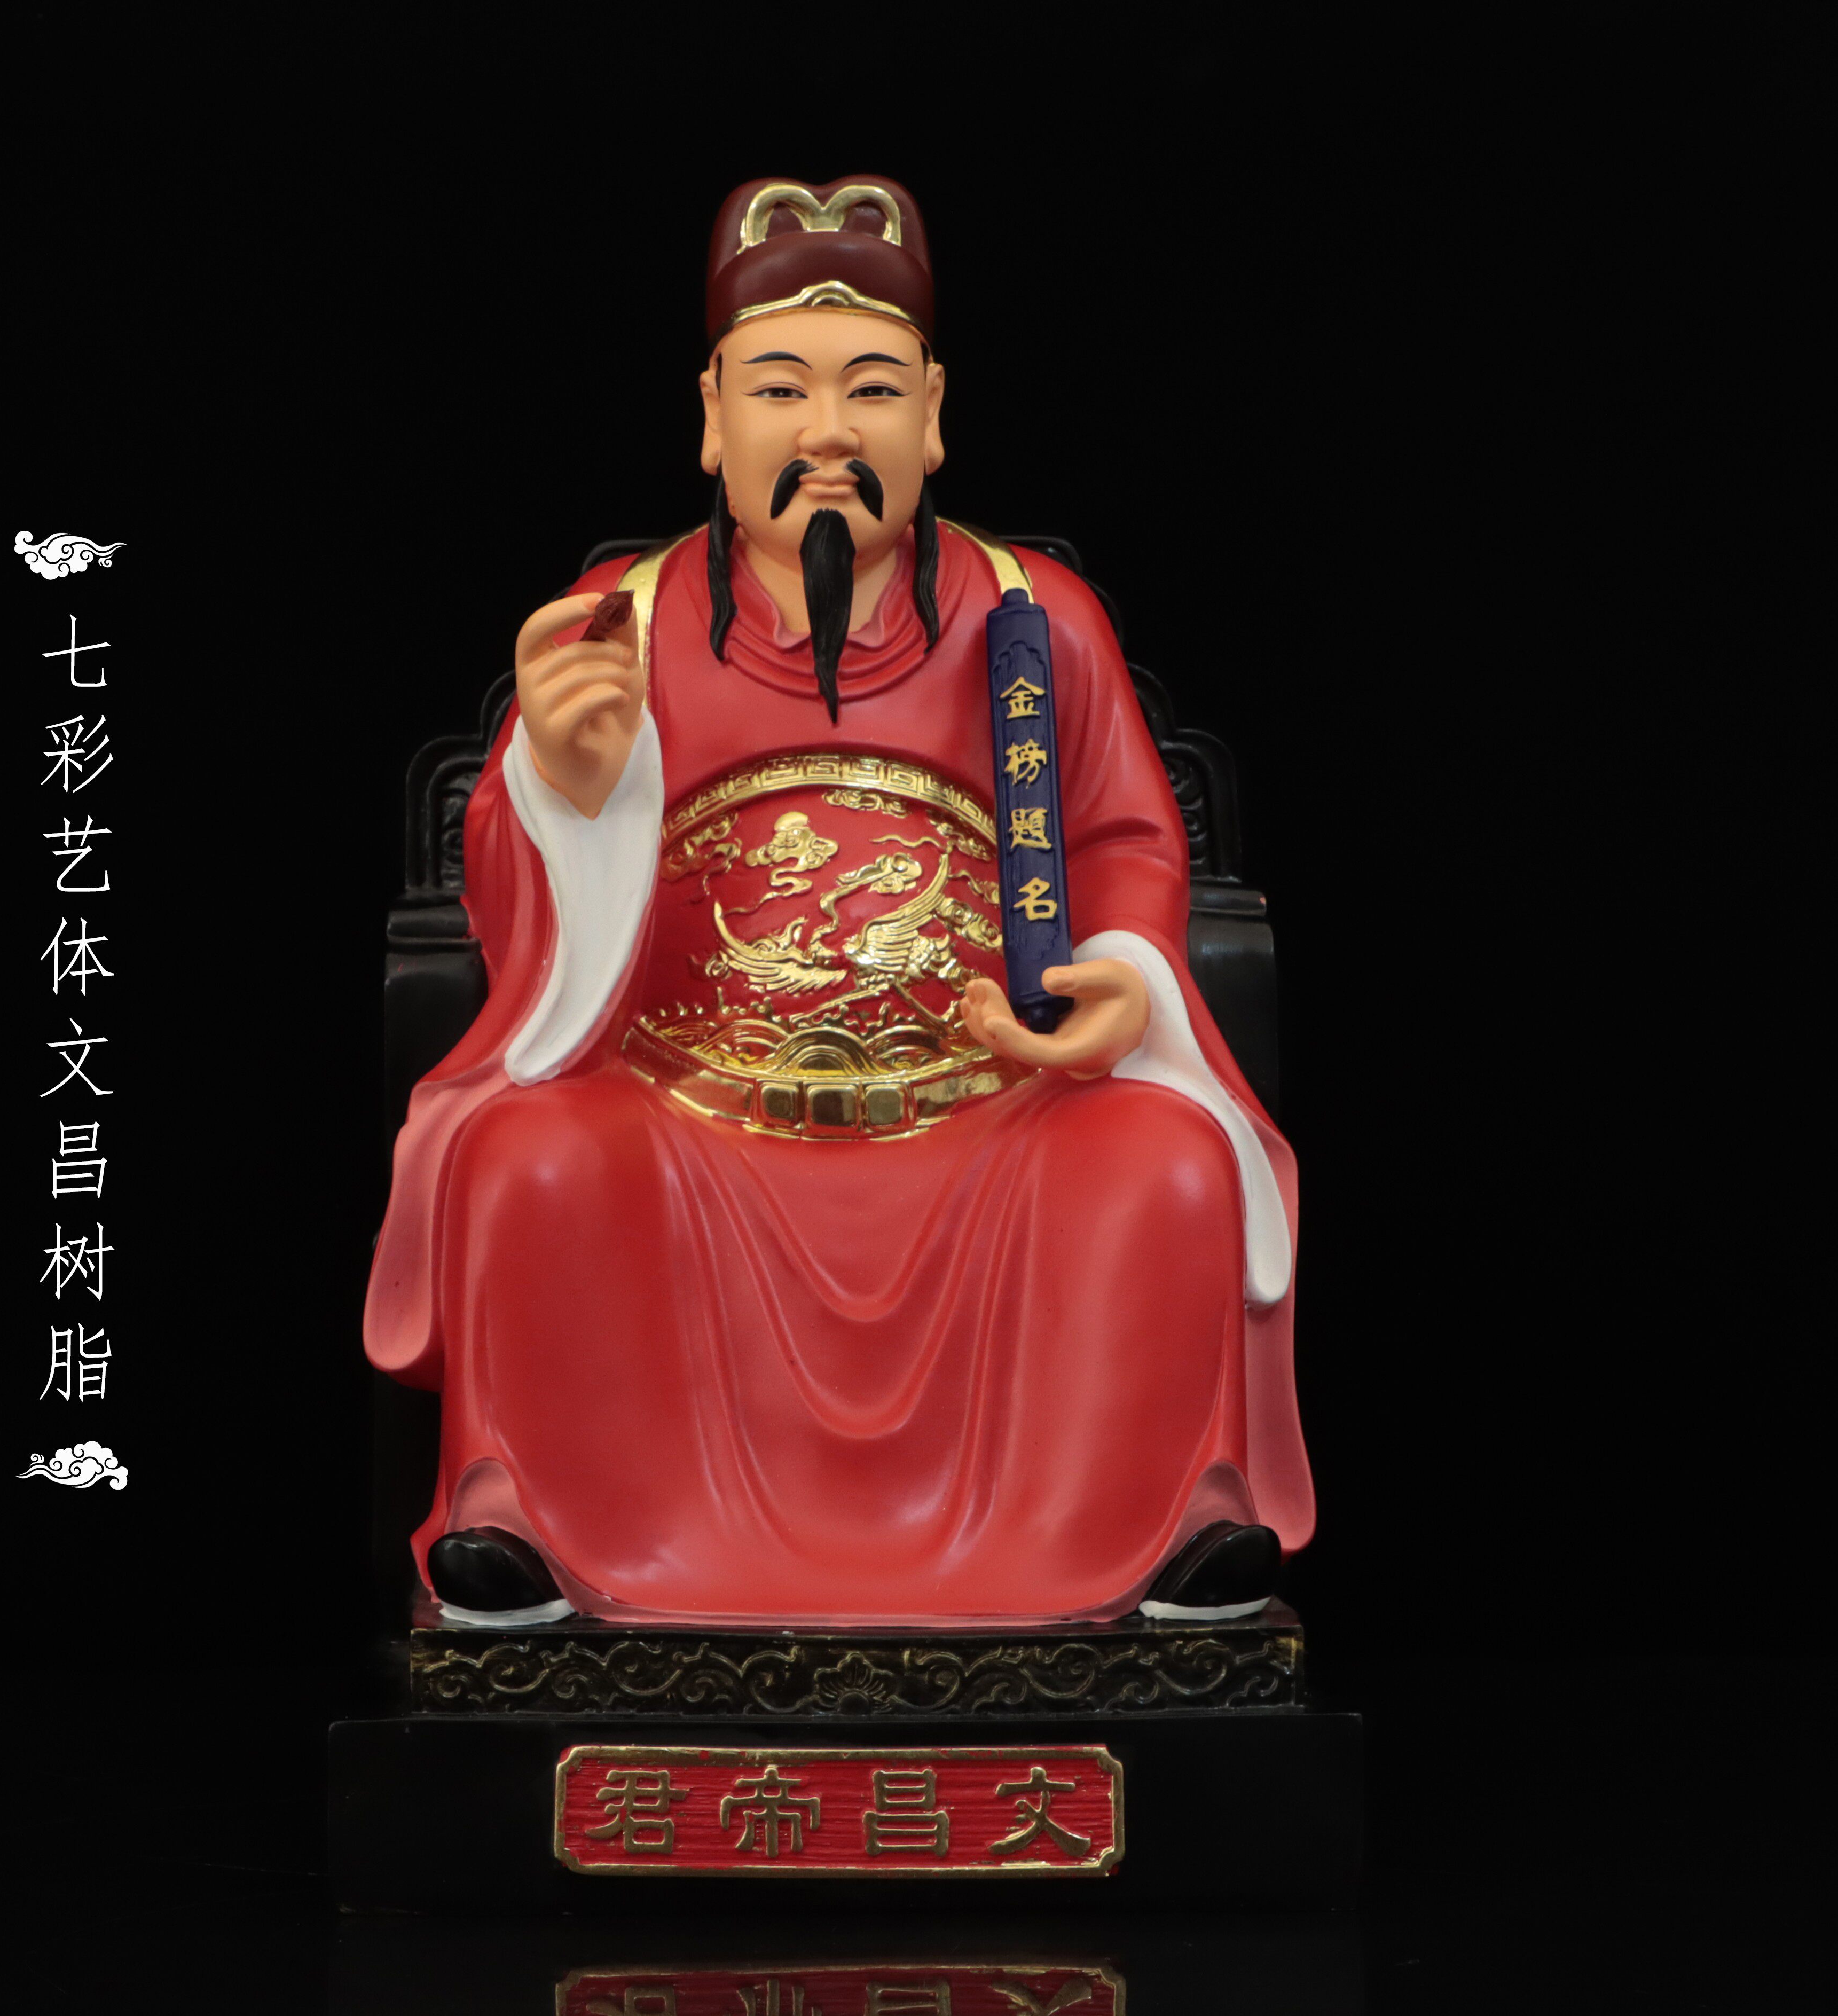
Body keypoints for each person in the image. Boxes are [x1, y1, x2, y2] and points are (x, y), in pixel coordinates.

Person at [364, 176, 1310, 1629]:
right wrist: (569, 791)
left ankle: (1158, 1520)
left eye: (870, 389)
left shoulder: (1036, 620)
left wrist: (1121, 976)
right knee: (529, 1161)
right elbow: (505, 899)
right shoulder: (622, 623)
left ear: (932, 417)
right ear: (711, 418)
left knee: (1162, 1165)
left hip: (989, 1109)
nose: (826, 432)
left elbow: (1124, 838)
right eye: (778, 390)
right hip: (692, 1116)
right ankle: (537, 1521)